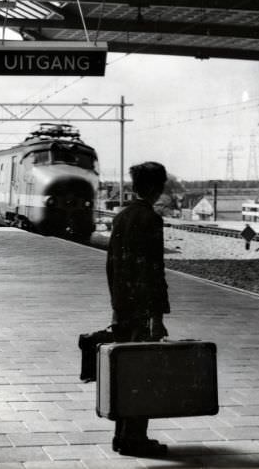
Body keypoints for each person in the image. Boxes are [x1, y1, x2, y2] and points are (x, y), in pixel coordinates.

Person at [106, 161, 170, 457]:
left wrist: (117, 305)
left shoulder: (121, 217)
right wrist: (157, 317)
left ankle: (121, 436)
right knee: (142, 375)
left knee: (123, 372)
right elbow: (154, 272)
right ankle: (135, 439)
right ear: (158, 187)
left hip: (122, 307)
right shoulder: (150, 219)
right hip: (142, 310)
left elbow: (111, 267)